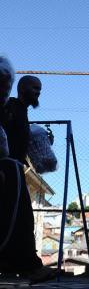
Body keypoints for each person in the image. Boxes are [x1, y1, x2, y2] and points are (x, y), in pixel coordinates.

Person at [0, 73, 54, 284]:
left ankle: (14, 263)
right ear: (22, 88)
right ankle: (30, 266)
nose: (38, 92)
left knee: (16, 219)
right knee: (19, 219)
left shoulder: (21, 111)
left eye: (39, 89)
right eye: (34, 88)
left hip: (15, 169)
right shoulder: (11, 107)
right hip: (8, 168)